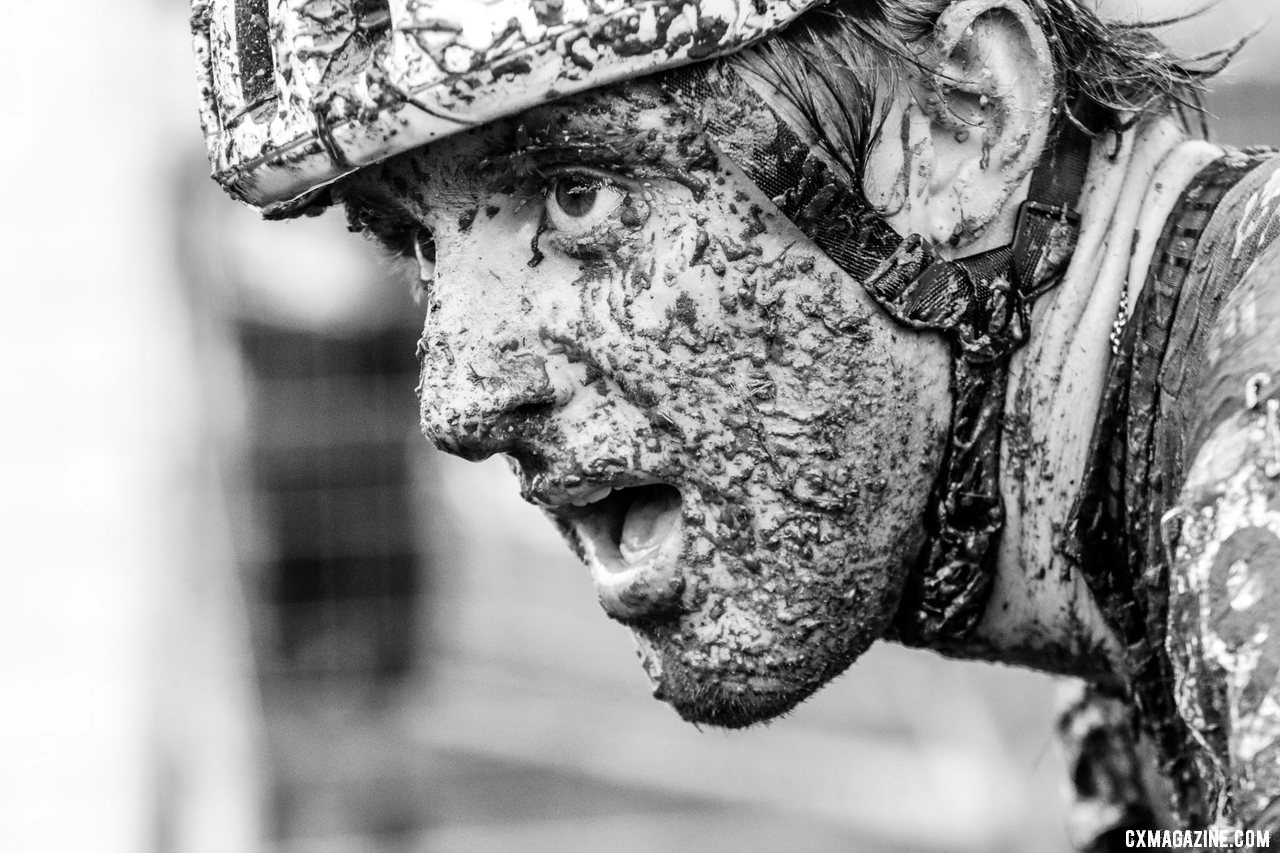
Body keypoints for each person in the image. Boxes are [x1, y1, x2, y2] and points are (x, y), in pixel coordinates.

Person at [191, 0, 1279, 842]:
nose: (459, 398)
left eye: (578, 194)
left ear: (967, 115)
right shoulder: (1143, 518)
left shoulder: (1256, 477)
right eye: (417, 244)